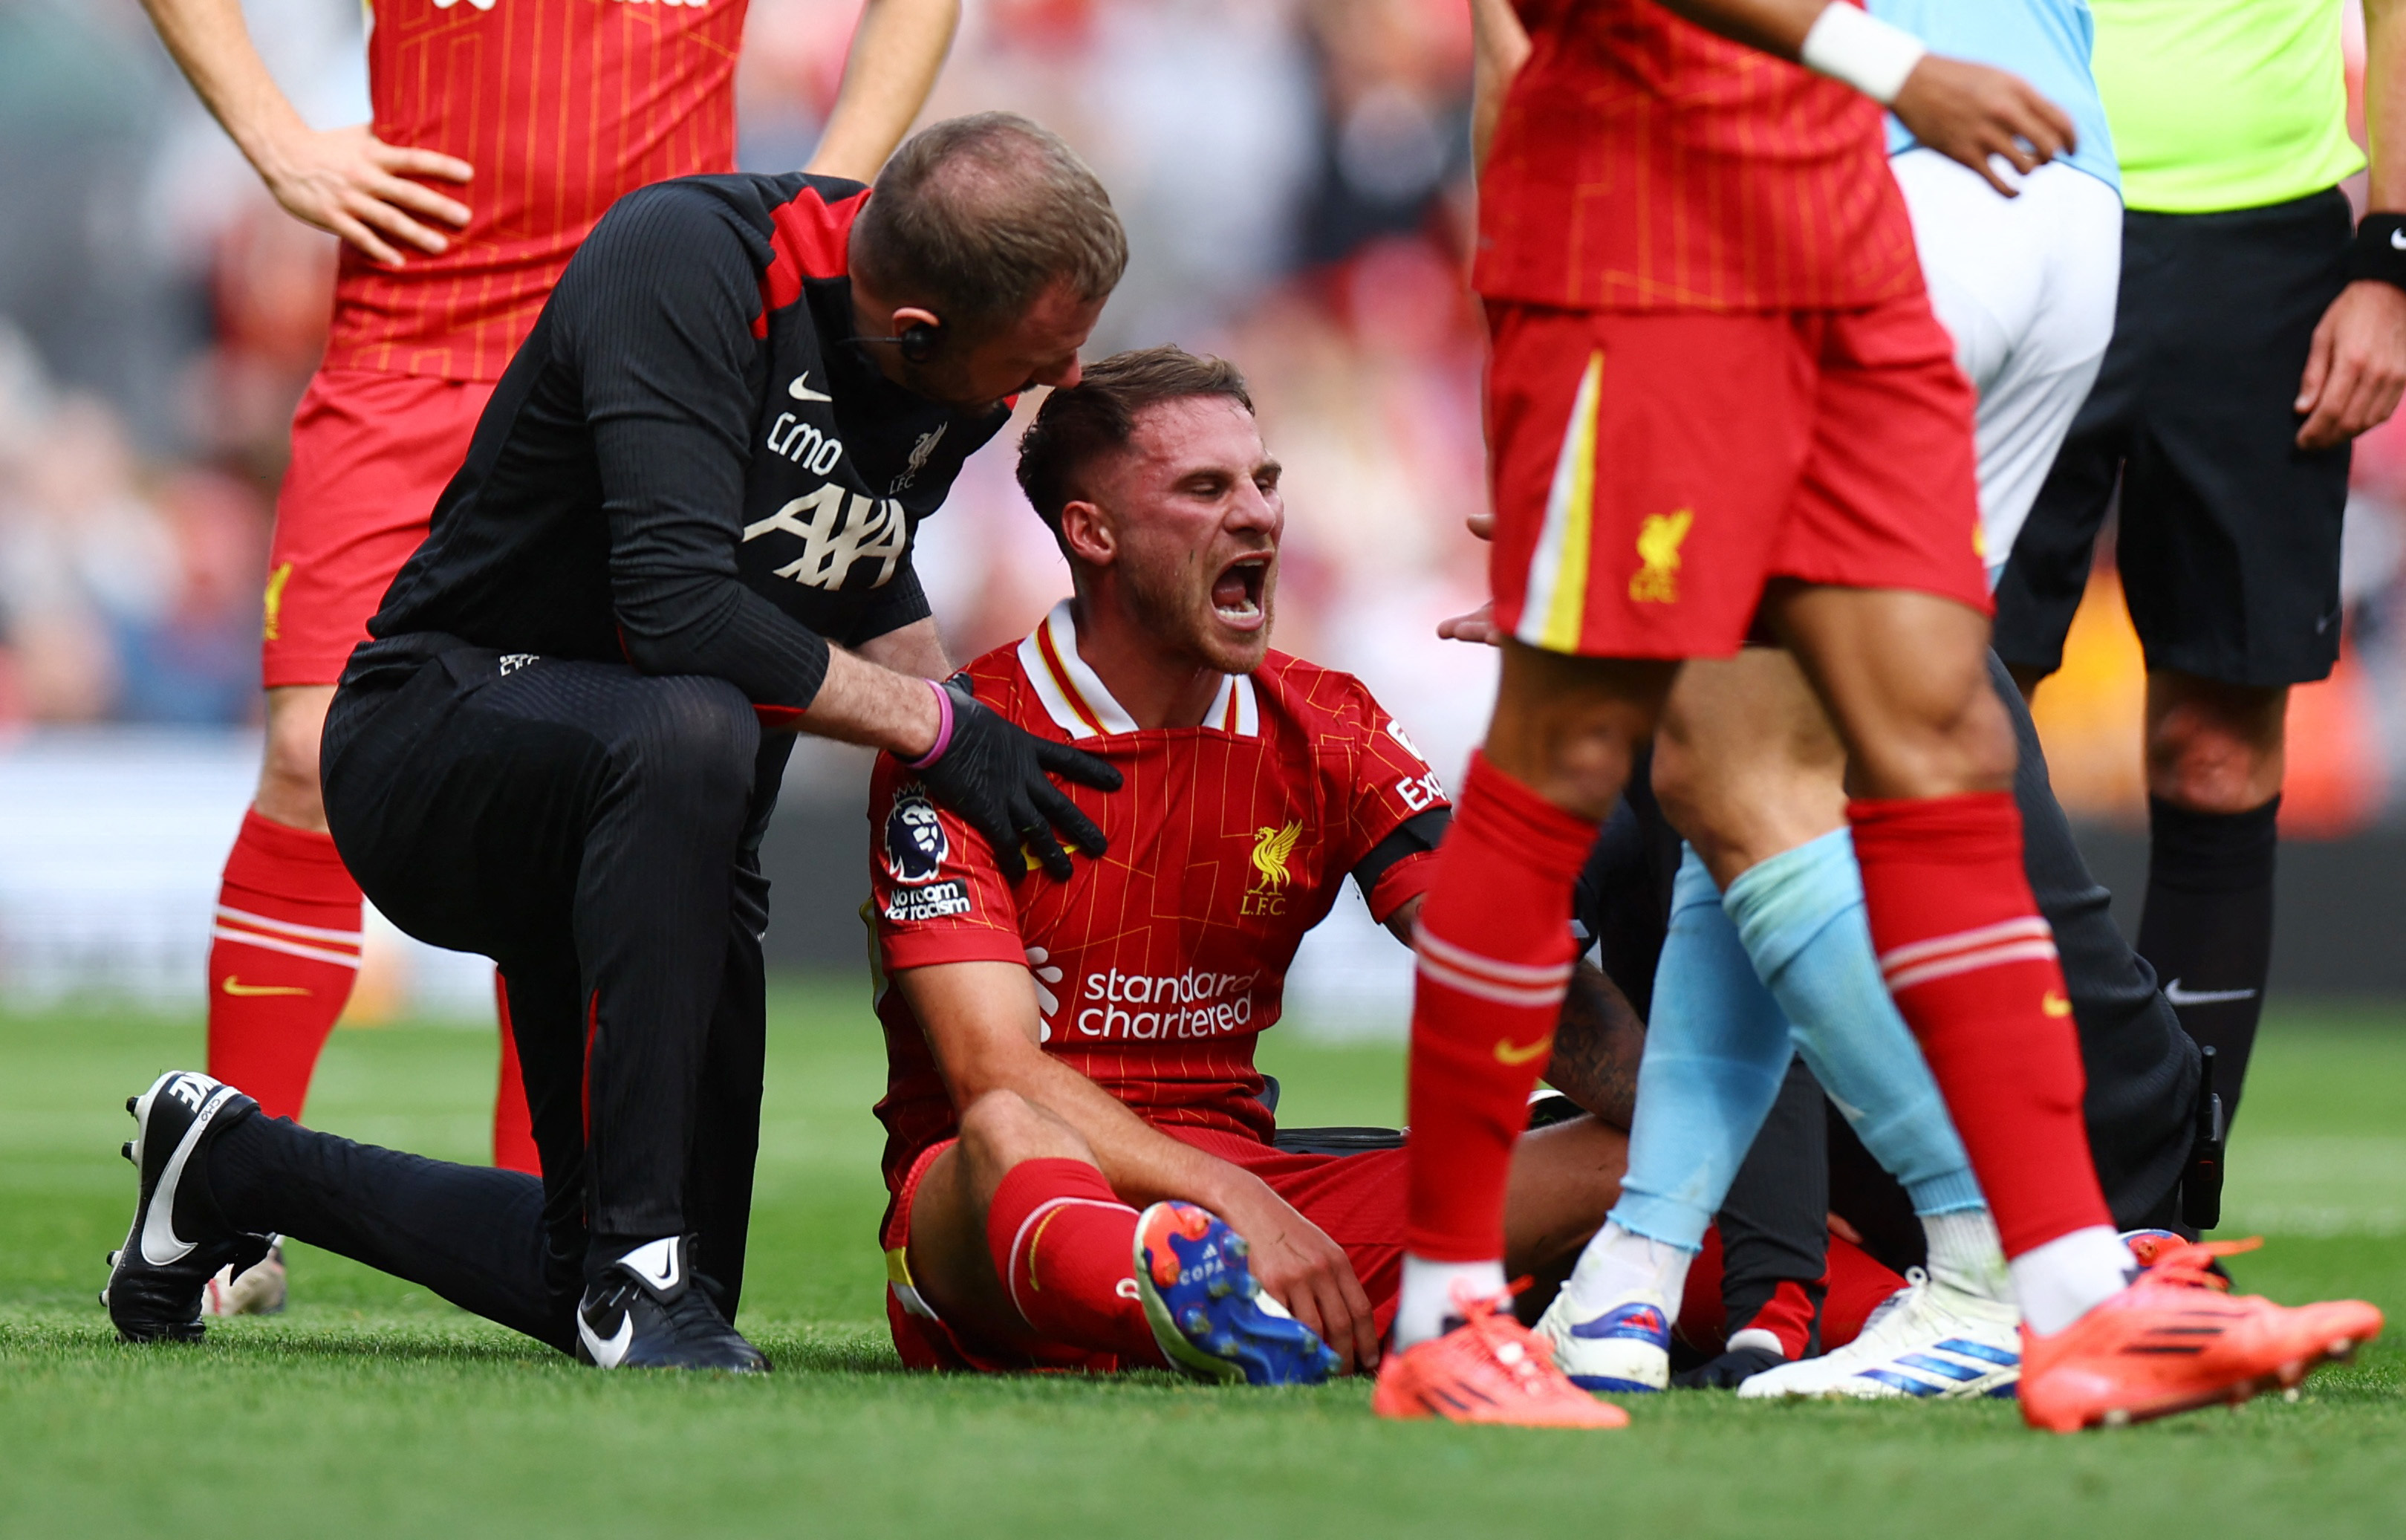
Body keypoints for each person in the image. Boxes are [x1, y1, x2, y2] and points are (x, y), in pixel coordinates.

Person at [1376, 0, 2381, 1432]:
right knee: (1578, 748)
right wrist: (1895, 67)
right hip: (1651, 245)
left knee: (1939, 738)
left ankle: (2070, 1300)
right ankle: (1446, 1316)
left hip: (1849, 231)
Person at [101, 114, 1130, 1371]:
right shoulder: (687, 257)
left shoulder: (942, 344)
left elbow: (855, 559)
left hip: (664, 832)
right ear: (917, 330)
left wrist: (996, 739)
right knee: (694, 716)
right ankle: (633, 1280)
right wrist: (936, 727)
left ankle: (223, 1165)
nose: (1063, 384)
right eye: (1040, 362)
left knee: (649, 1272)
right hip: (442, 732)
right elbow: (679, 606)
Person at [865, 345, 1902, 1400]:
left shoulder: (1327, 723)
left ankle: (1907, 1319)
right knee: (998, 1135)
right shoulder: (968, 743)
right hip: (1008, 1228)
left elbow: (1502, 961)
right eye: (1206, 489)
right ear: (1092, 533)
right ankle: (1185, 1293)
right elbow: (993, 1074)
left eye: (1265, 482)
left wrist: (1725, 1152)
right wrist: (1239, 1206)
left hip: (1276, 1202)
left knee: (1639, 1164)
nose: (1260, 516)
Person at [136, 0, 964, 1252]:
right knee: (308, 753)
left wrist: (836, 183)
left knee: (603, 765)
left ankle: (563, 1223)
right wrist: (276, 138)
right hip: (409, 343)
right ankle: (214, 1220)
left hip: (656, 344)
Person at [1997, 0, 2406, 1131]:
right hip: (2005, 199)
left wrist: (2395, 255)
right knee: (1947, 714)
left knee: (2219, 750)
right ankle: (1946, 1210)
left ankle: (2169, 1211)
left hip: (2262, 252)